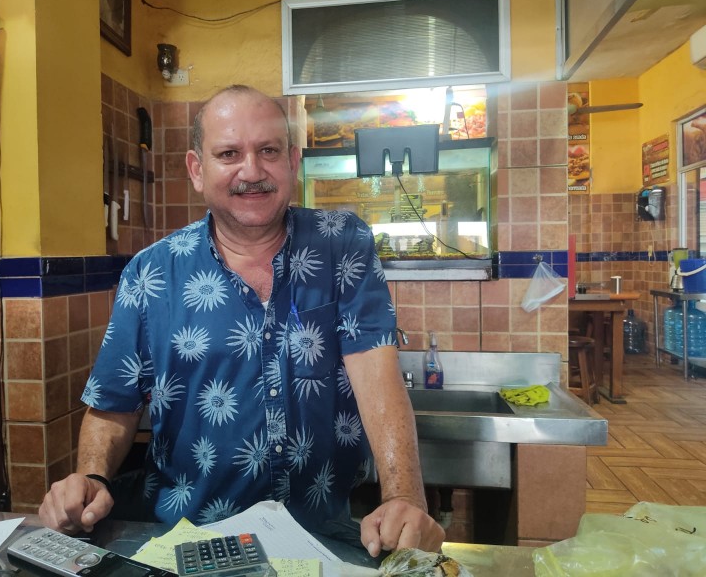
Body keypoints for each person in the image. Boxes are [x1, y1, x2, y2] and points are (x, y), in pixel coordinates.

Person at [39, 85, 445, 558]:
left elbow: (376, 376)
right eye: (229, 153)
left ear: (292, 160)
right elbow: (113, 402)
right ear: (197, 169)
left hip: (319, 540)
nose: (251, 172)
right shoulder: (151, 273)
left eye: (268, 151)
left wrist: (403, 497)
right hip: (185, 541)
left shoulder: (342, 246)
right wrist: (91, 477)